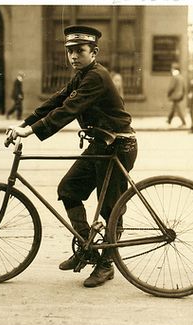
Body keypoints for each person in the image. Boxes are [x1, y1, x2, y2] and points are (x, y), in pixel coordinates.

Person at [8, 25, 137, 288]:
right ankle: (87, 249)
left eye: (80, 51)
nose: (73, 56)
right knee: (68, 189)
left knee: (111, 209)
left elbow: (68, 109)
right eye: (70, 51)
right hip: (101, 144)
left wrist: (32, 131)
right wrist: (24, 123)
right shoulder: (82, 75)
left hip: (118, 146)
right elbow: (56, 100)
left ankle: (106, 264)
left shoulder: (96, 77)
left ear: (94, 52)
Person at [166, 62, 186, 127]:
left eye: (172, 69)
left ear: (174, 69)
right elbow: (184, 88)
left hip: (175, 95)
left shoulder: (175, 77)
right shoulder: (181, 77)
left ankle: (183, 123)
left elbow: (172, 87)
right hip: (180, 95)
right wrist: (182, 95)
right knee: (174, 108)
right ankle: (169, 120)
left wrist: (168, 93)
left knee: (177, 109)